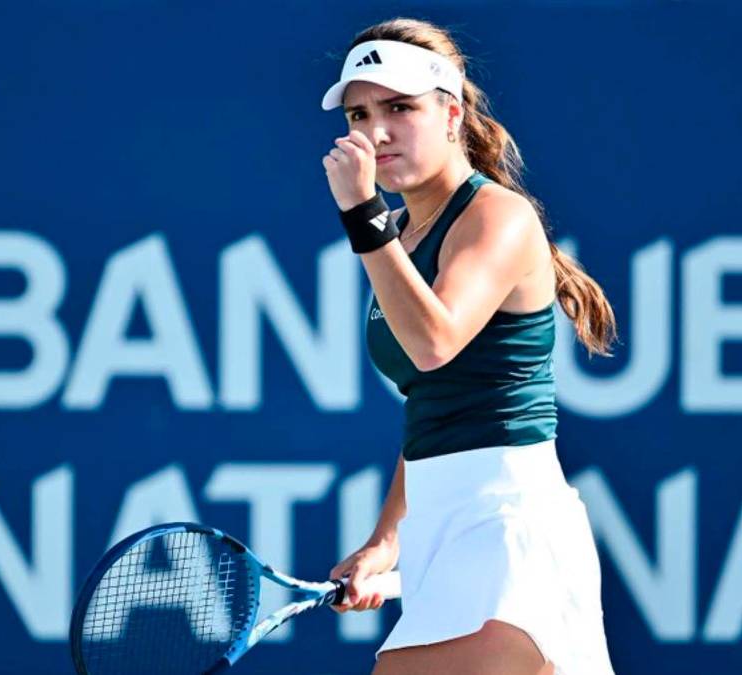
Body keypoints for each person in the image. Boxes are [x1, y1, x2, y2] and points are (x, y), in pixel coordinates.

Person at [320, 17, 618, 675]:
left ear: (451, 113)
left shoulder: (498, 216)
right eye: (360, 114)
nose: (376, 132)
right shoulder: (400, 234)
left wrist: (362, 217)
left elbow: (434, 344)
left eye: (400, 108)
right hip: (441, 529)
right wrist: (386, 541)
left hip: (509, 526)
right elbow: (434, 405)